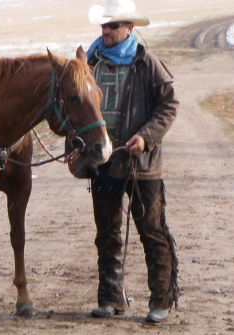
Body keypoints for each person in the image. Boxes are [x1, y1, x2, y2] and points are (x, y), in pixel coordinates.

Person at [85, 0, 179, 323]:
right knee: (107, 233)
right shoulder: (89, 63)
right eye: (104, 26)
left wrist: (146, 136)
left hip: (143, 165)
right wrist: (76, 145)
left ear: (130, 28)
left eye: (113, 26)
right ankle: (110, 299)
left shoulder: (148, 62)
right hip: (103, 163)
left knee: (152, 232)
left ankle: (161, 300)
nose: (106, 31)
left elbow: (168, 106)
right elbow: (77, 111)